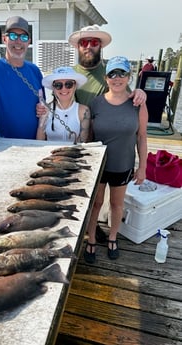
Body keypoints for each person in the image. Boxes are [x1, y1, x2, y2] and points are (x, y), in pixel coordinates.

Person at [37, 24, 147, 244]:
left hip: (106, 149)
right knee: (82, 200)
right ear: (78, 47)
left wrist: (140, 92)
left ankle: (96, 233)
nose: (88, 46)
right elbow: (53, 101)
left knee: (104, 201)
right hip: (74, 145)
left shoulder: (110, 71)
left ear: (101, 46)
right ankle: (84, 234)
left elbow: (124, 90)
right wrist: (43, 110)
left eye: (94, 42)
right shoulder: (70, 73)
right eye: (84, 42)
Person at [84, 56, 148, 263]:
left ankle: (113, 237)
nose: (117, 78)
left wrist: (143, 168)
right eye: (112, 74)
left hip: (123, 164)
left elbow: (142, 137)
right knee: (96, 203)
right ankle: (91, 238)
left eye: (122, 73)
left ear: (129, 77)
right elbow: (89, 137)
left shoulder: (138, 103)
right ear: (106, 78)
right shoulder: (95, 103)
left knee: (116, 204)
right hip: (99, 166)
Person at [36, 66, 90, 143]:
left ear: (75, 86)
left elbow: (82, 142)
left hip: (72, 154)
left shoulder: (84, 111)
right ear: (53, 88)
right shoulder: (45, 109)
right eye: (58, 85)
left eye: (68, 84)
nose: (64, 89)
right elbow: (39, 141)